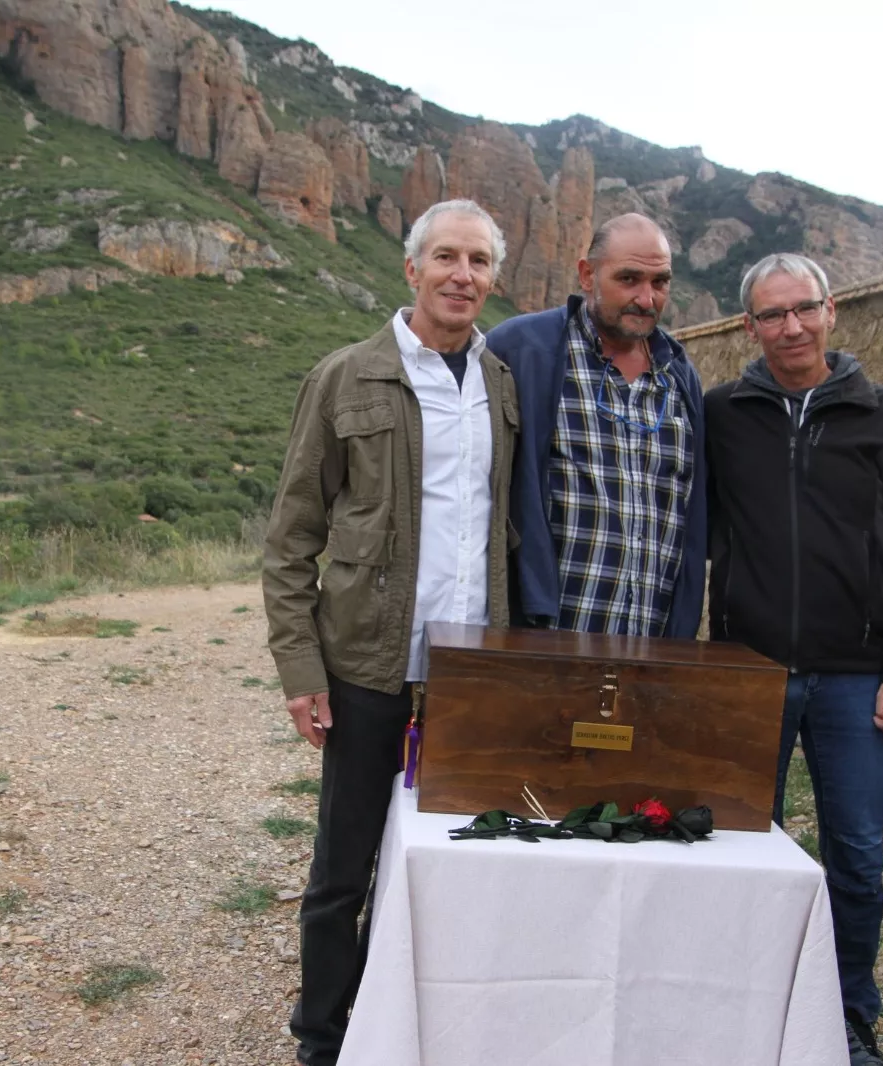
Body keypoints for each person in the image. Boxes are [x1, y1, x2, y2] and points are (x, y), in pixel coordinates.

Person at [261, 199, 519, 1066]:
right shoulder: (346, 376)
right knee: (343, 870)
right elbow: (293, 533)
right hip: (366, 665)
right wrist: (301, 667)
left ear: (492, 276)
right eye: (446, 257)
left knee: (447, 865)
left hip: (469, 673)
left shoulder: (501, 383)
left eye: (478, 261)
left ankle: (412, 1030)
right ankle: (323, 1039)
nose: (462, 276)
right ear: (411, 268)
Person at [703, 252, 883, 1066]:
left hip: (856, 677)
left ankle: (847, 1019)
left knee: (857, 859)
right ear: (750, 327)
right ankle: (744, 1012)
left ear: (831, 311)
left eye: (803, 308)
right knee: (743, 849)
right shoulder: (723, 414)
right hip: (752, 673)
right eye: (772, 315)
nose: (791, 327)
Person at [485, 212, 708, 637]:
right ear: (587, 275)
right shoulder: (521, 351)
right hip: (541, 640)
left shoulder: (680, 376)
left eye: (659, 282)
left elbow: (689, 515)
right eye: (629, 279)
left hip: (648, 651)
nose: (646, 298)